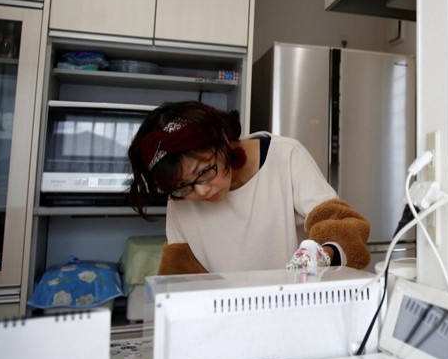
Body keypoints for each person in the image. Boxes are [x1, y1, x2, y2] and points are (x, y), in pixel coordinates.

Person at [127, 101, 371, 275]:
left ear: (223, 140)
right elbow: (180, 274)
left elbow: (344, 225)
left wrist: (322, 254)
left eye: (204, 171)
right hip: (228, 322)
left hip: (295, 310)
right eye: (182, 186)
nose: (200, 191)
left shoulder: (285, 156)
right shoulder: (181, 197)